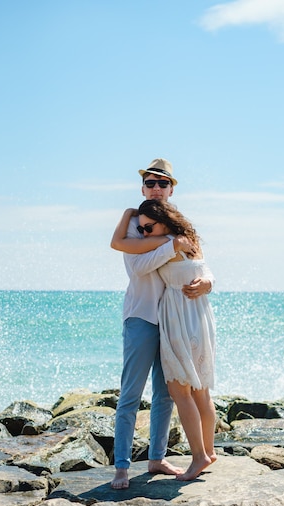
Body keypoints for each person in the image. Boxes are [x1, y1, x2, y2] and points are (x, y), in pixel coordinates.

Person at [110, 158, 212, 489]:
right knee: (130, 395)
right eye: (150, 183)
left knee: (166, 393)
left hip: (174, 320)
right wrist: (170, 245)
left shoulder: (176, 224)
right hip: (142, 316)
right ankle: (122, 466)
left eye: (162, 183)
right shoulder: (138, 222)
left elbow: (199, 263)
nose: (156, 188)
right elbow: (137, 266)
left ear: (171, 189)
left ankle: (156, 457)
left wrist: (207, 282)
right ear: (142, 188)